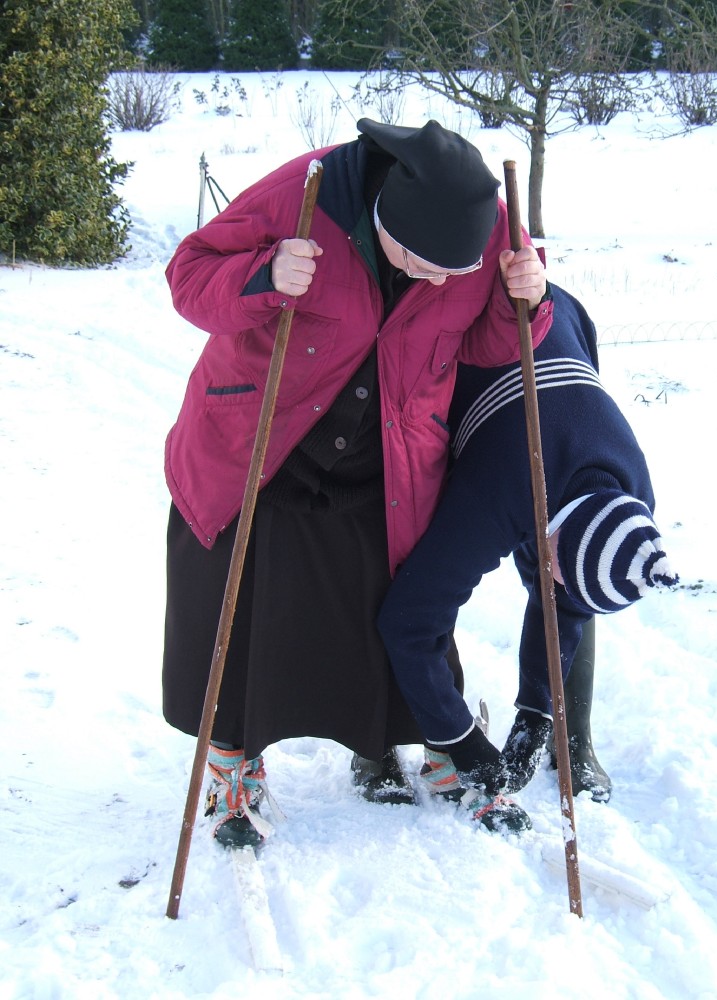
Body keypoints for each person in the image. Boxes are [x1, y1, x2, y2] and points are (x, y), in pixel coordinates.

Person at [161, 118, 553, 848]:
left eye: (456, 272)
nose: (441, 281)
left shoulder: (490, 231)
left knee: (403, 608)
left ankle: (436, 742)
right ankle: (231, 768)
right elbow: (188, 274)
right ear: (388, 221)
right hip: (259, 445)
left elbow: (494, 342)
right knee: (233, 609)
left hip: (388, 457)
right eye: (426, 264)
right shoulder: (306, 195)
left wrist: (522, 299)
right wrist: (264, 275)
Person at [377, 283, 678, 832]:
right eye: (554, 568)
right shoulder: (497, 491)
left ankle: (568, 732)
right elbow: (410, 622)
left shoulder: (631, 500)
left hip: (568, 326)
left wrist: (535, 714)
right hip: (462, 331)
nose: (552, 585)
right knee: (404, 559)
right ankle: (374, 736)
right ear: (549, 533)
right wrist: (464, 742)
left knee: (570, 585)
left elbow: (570, 599)